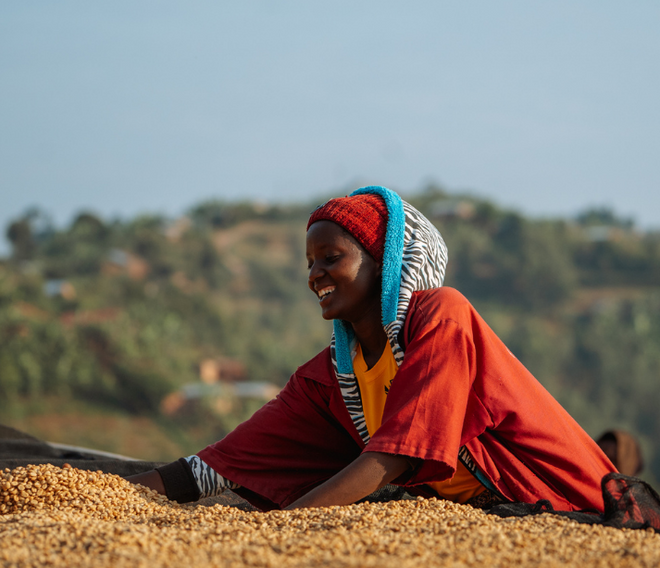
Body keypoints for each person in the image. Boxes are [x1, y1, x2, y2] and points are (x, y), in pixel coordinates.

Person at [128, 186, 614, 512]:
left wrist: (283, 531)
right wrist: (105, 495)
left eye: (332, 257)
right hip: (486, 518)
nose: (315, 274)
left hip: (570, 507)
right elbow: (218, 467)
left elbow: (396, 456)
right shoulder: (330, 378)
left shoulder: (442, 317)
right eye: (310, 263)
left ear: (387, 262)